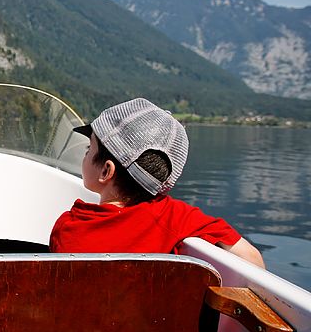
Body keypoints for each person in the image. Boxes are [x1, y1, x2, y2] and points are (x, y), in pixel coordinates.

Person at [49, 97, 265, 268]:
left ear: (106, 171)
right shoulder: (178, 218)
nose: (85, 156)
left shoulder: (69, 226)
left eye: (89, 150)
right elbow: (252, 259)